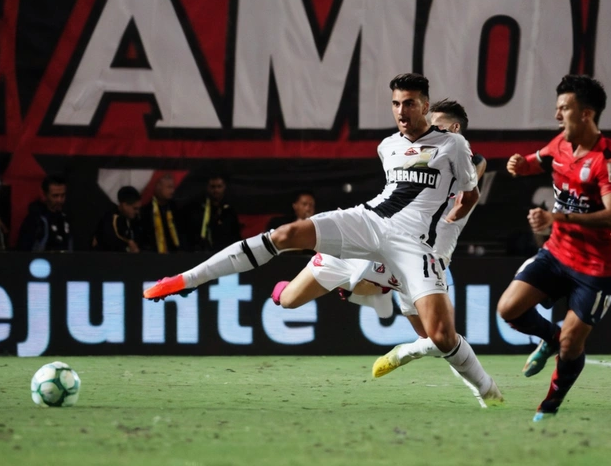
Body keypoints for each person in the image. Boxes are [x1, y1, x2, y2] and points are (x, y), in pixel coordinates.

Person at [143, 73, 502, 401]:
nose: (402, 111)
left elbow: (473, 181)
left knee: (438, 337)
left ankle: (487, 393)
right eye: (396, 103)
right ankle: (187, 279)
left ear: (425, 106)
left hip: (415, 248)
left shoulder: (456, 147)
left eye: (409, 103)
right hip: (368, 223)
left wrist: (458, 202)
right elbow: (403, 185)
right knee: (286, 244)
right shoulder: (388, 146)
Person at [270, 100, 491, 394]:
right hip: (382, 245)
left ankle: (404, 344)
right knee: (288, 301)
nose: (428, 132)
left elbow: (478, 163)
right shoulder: (423, 159)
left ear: (454, 129)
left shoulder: (463, 160)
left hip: (421, 261)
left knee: (435, 338)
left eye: (435, 125)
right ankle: (364, 291)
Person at [496, 75, 611, 422]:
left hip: (596, 268)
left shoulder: (608, 158)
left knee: (572, 346)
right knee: (508, 309)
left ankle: (550, 405)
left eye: (564, 109)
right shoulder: (560, 144)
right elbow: (534, 161)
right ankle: (549, 337)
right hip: (557, 254)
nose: (557, 116)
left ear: (586, 113)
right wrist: (518, 164)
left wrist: (558, 217)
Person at [182, 175, 242, 252]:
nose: (216, 190)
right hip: (201, 253)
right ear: (207, 188)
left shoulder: (229, 210)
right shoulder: (197, 209)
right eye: (213, 187)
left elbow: (235, 235)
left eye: (219, 186)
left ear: (224, 187)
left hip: (224, 253)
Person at [17, 174, 73, 251]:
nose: (59, 200)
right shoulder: (35, 221)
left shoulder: (66, 219)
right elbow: (23, 252)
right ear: (45, 195)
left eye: (62, 195)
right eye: (55, 196)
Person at [93, 186, 143, 252]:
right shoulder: (110, 219)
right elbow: (111, 242)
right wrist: (129, 244)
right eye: (135, 208)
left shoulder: (133, 220)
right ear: (124, 205)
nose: (137, 212)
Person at [140, 174, 181, 253]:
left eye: (173, 187)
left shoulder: (176, 209)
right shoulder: (147, 211)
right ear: (158, 187)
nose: (172, 191)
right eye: (169, 187)